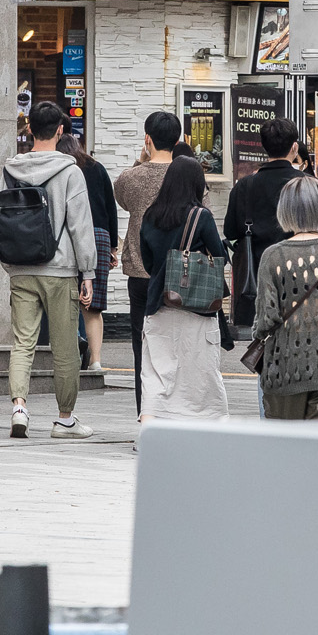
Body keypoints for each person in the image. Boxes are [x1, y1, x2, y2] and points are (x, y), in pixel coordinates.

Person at [2, 102, 98, 439]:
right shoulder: (70, 172)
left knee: (22, 343)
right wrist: (88, 273)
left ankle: (19, 407)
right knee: (65, 347)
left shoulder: (10, 169)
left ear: (29, 130)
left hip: (21, 266)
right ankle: (64, 419)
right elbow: (80, 226)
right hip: (59, 268)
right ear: (60, 130)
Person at [137, 157, 230, 421]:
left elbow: (148, 263)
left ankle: (150, 429)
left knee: (156, 373)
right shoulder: (201, 216)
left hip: (159, 304)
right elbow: (218, 255)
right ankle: (205, 430)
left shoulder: (150, 215)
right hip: (197, 308)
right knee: (201, 375)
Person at [256, 176, 318, 420]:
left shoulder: (272, 257)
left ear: (284, 210)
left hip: (283, 371)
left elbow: (266, 321)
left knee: (287, 453)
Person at [116, 112, 181, 415]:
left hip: (141, 274)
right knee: (176, 347)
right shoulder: (185, 176)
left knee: (142, 347)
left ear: (147, 139)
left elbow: (123, 198)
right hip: (177, 274)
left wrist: (140, 161)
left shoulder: (132, 177)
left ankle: (147, 416)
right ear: (178, 141)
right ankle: (174, 411)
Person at [223, 117, 305, 326]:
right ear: (294, 147)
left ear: (264, 147)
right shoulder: (307, 185)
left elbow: (230, 231)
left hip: (257, 277)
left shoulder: (245, 185)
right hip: (300, 275)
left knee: (259, 338)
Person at [58, 133, 118, 371]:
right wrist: (113, 246)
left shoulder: (60, 168)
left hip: (68, 234)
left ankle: (70, 356)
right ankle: (95, 360)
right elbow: (110, 207)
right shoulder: (97, 167)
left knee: (65, 298)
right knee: (93, 306)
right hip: (99, 236)